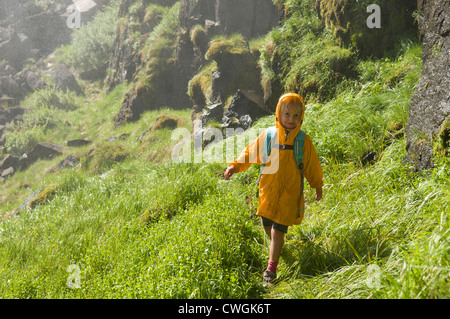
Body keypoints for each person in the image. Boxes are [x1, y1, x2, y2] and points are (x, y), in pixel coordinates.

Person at [224, 93, 323, 285]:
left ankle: (271, 269)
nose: (291, 119)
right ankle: (276, 248)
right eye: (287, 114)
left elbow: (312, 165)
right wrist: (235, 166)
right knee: (267, 226)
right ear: (279, 113)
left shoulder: (302, 141)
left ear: (301, 117)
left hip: (289, 193)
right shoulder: (269, 136)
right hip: (268, 191)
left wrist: (317, 184)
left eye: (296, 116)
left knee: (278, 231)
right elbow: (251, 153)